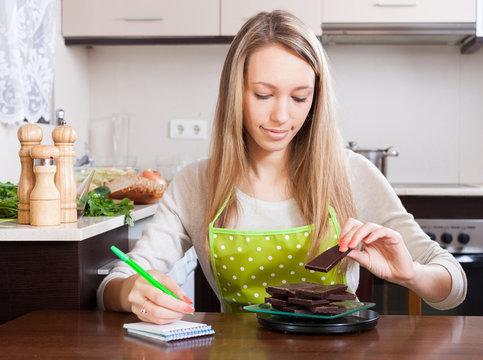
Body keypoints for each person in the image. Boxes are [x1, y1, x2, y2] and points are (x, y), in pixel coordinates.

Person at [98, 10, 466, 324]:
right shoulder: (196, 183)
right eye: (263, 94)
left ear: (315, 99)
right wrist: (131, 291)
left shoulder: (352, 174)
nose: (281, 116)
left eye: (299, 97)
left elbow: (453, 285)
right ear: (234, 92)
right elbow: (113, 284)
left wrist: (411, 273)